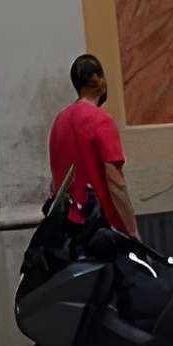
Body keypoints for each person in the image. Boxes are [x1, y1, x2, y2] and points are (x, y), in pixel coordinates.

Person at [48, 52, 138, 236]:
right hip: (100, 229)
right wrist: (132, 230)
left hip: (67, 229)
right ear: (99, 80)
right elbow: (116, 183)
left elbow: (54, 181)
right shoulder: (102, 121)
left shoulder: (59, 121)